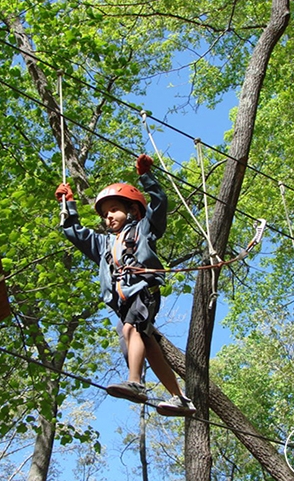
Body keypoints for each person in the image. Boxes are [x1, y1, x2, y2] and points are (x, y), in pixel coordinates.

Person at [55, 154, 196, 417]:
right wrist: (68, 204)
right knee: (147, 345)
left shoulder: (143, 229)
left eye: (114, 210)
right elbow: (74, 233)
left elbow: (160, 202)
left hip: (143, 290)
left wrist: (146, 177)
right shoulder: (104, 244)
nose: (108, 217)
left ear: (132, 210)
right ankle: (180, 398)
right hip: (124, 301)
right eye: (105, 214)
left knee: (132, 328)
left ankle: (136, 383)